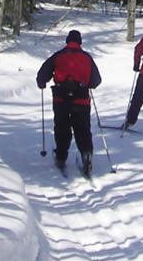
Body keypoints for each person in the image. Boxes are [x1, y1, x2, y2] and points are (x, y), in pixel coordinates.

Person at [36, 30, 102, 176]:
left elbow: (43, 74)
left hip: (61, 99)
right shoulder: (86, 57)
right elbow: (96, 80)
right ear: (80, 42)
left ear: (67, 41)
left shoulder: (58, 56)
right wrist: (88, 84)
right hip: (81, 99)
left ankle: (61, 156)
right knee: (82, 129)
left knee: (62, 128)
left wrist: (42, 83)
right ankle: (86, 154)